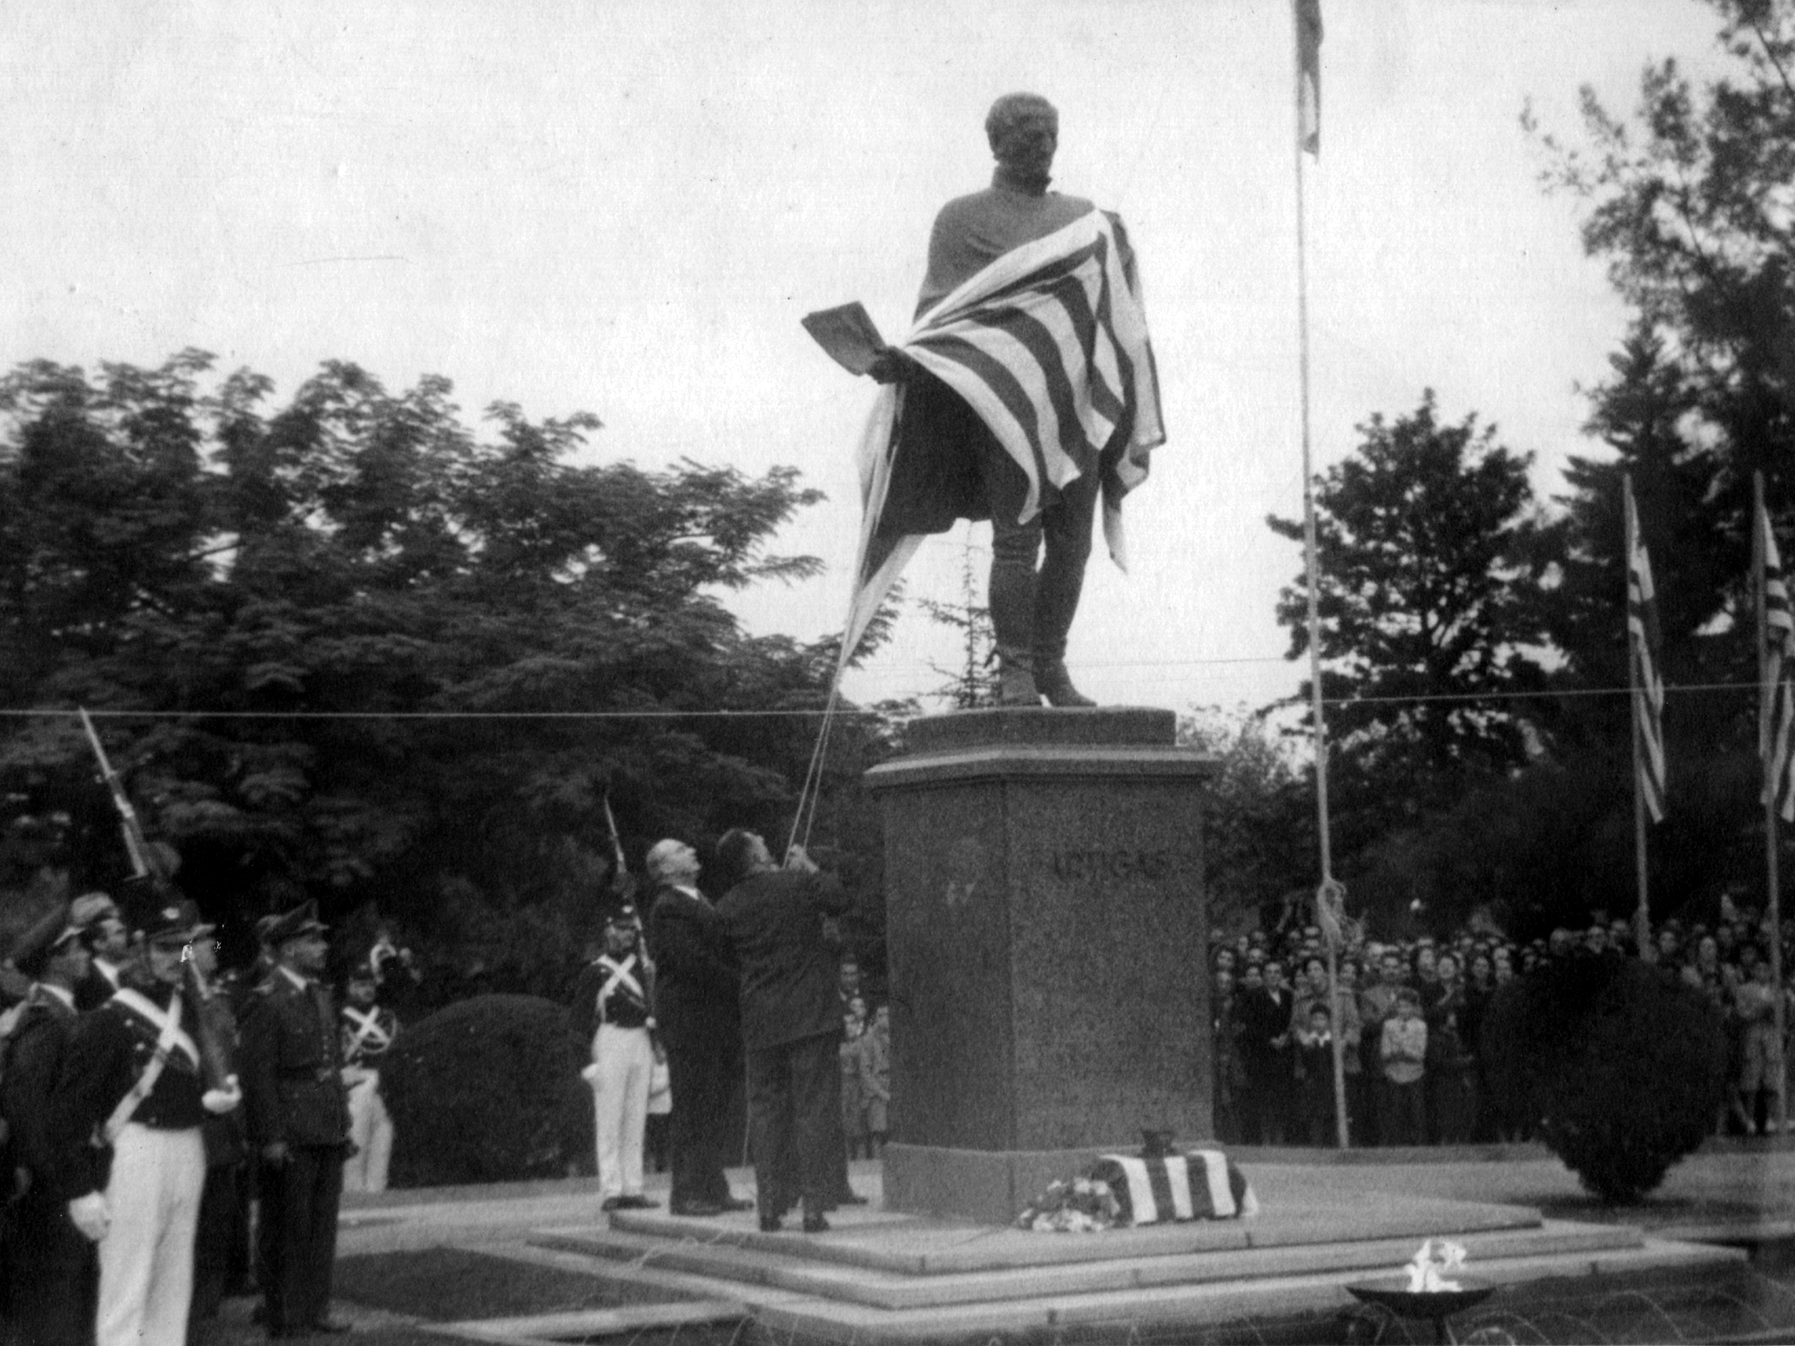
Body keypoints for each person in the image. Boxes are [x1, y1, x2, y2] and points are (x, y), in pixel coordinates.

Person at [865, 92, 1160, 707]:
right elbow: (943, 316)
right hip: (1002, 407)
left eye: (1050, 130)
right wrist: (904, 359)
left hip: (1077, 407)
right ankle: (1017, 673)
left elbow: (1117, 315)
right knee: (1016, 537)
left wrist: (1117, 248)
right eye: (1028, 130)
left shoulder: (1086, 218)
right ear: (997, 140)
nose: (1043, 140)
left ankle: (1052, 666)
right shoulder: (961, 219)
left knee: (1073, 545)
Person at [53, 900, 241, 1346]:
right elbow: (67, 1116)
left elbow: (194, 1082)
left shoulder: (192, 1014)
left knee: (173, 1281)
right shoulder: (108, 1021)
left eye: (183, 949)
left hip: (188, 1147)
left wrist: (211, 1101)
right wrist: (80, 1190)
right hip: (136, 1151)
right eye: (163, 949)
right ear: (140, 951)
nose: (176, 959)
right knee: (127, 1281)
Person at [714, 829, 851, 1233]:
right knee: (814, 1110)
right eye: (760, 843)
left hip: (761, 1020)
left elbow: (726, 960)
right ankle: (813, 1205)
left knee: (767, 1113)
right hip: (810, 1016)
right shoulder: (796, 883)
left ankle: (769, 1206)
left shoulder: (726, 907)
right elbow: (838, 900)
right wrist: (811, 867)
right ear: (754, 857)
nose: (768, 845)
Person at [239, 901, 353, 1338]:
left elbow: (331, 1064)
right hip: (290, 1128)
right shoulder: (267, 1002)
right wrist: (270, 1136)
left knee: (322, 1224)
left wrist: (342, 1121)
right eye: (311, 940)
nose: (322, 947)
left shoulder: (319, 994)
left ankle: (316, 1307)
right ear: (287, 950)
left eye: (320, 938)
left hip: (323, 1123)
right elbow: (258, 1075)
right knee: (289, 1224)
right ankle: (285, 1313)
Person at [0, 906, 96, 1346]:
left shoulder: (64, 1015)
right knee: (54, 1289)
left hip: (65, 1173)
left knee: (70, 1285)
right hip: (52, 1183)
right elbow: (28, 1109)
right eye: (76, 948)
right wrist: (60, 1180)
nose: (86, 954)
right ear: (55, 960)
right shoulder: (47, 1024)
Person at [642, 837, 751, 1217]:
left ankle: (711, 1187)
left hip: (710, 1021)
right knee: (692, 1109)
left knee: (713, 1107)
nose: (692, 850)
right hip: (690, 1021)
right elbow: (693, 961)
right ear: (667, 868)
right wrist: (741, 982)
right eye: (681, 850)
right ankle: (686, 1193)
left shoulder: (695, 898)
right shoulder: (669, 906)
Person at [569, 906, 658, 1212]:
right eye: (621, 929)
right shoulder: (595, 972)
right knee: (609, 1119)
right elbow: (579, 1022)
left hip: (640, 1041)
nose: (627, 935)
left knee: (635, 1118)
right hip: (611, 1040)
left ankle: (633, 1187)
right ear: (608, 931)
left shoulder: (642, 969)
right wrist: (586, 1063)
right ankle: (611, 1188)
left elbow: (652, 1005)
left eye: (631, 929)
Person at [338, 961, 398, 1193]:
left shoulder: (386, 1017)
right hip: (356, 1083)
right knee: (356, 1152)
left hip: (383, 1084)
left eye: (370, 983)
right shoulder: (340, 1016)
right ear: (351, 986)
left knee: (381, 1151)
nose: (367, 989)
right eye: (361, 984)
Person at [1378, 988, 1428, 1146]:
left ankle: (1419, 1145)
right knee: (1395, 1112)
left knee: (1416, 1112)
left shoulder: (1420, 1026)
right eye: (1400, 1006)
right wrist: (1395, 1052)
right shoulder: (1389, 1025)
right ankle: (1396, 1145)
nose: (1403, 1010)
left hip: (1415, 1074)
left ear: (1413, 1008)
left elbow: (1420, 1054)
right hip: (1394, 1073)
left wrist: (1404, 1050)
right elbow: (1385, 1052)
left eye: (1407, 1006)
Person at [70, 893, 128, 1012]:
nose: (128, 936)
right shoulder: (87, 989)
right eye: (119, 933)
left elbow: (176, 955)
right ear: (99, 943)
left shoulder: (138, 960)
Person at [858, 1002, 890, 1158]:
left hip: (894, 1085)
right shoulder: (868, 1041)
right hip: (877, 1088)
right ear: (875, 1018)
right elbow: (865, 1072)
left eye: (887, 1014)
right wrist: (880, 1091)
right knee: (877, 1132)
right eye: (880, 1015)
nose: (884, 1019)